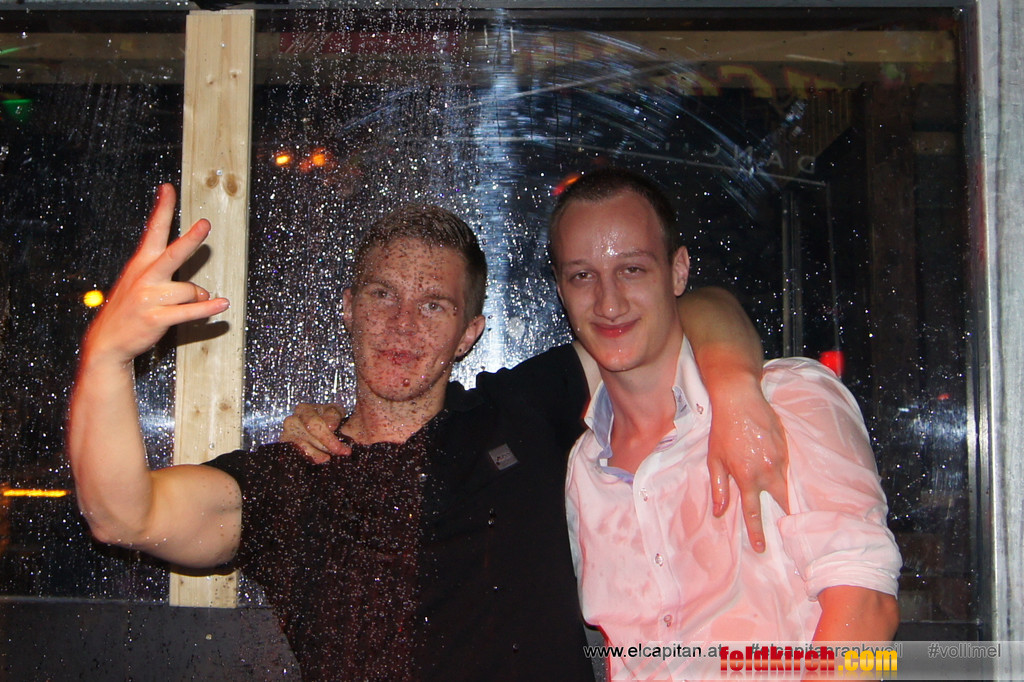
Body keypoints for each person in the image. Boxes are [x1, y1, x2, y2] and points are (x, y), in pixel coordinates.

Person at [68, 184, 784, 681]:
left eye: (434, 305)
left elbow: (687, 311)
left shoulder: (521, 414)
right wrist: (107, 355)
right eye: (383, 294)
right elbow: (123, 514)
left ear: (470, 332)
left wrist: (732, 382)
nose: (402, 324)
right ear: (348, 308)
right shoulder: (294, 478)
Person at [550, 168, 902, 679]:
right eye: (583, 275)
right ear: (561, 288)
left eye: (632, 269)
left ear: (678, 272)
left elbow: (868, 611)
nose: (608, 302)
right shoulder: (584, 471)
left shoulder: (785, 400)